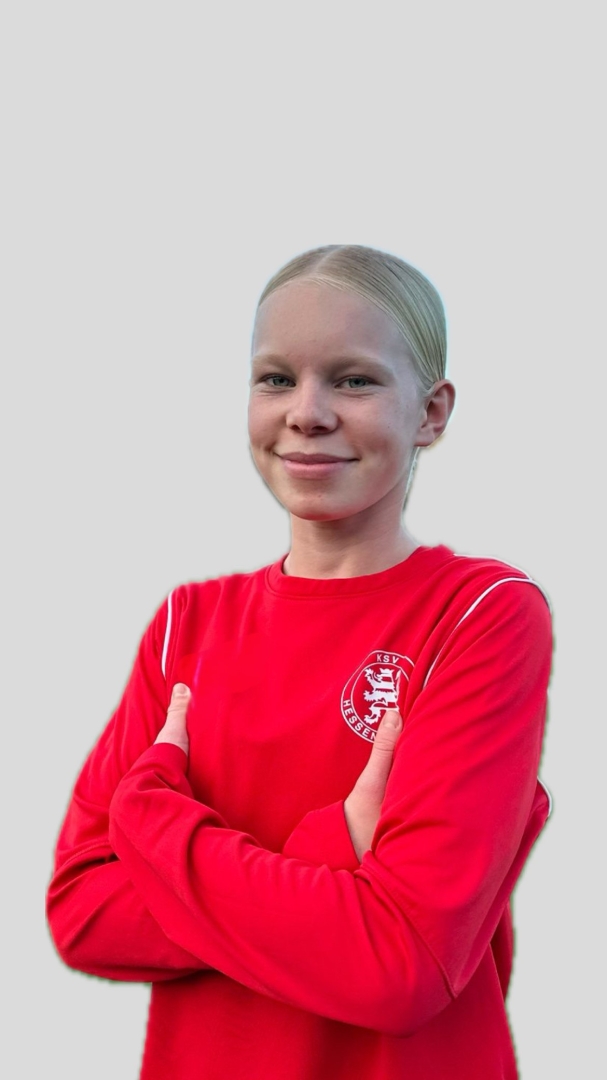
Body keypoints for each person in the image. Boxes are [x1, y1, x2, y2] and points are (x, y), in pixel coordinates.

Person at [46, 243, 553, 1080]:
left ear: (430, 412)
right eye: (276, 378)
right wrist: (330, 851)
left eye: (353, 380)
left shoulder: (479, 615)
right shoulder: (185, 626)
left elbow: (400, 966)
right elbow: (83, 914)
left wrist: (152, 818)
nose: (306, 413)